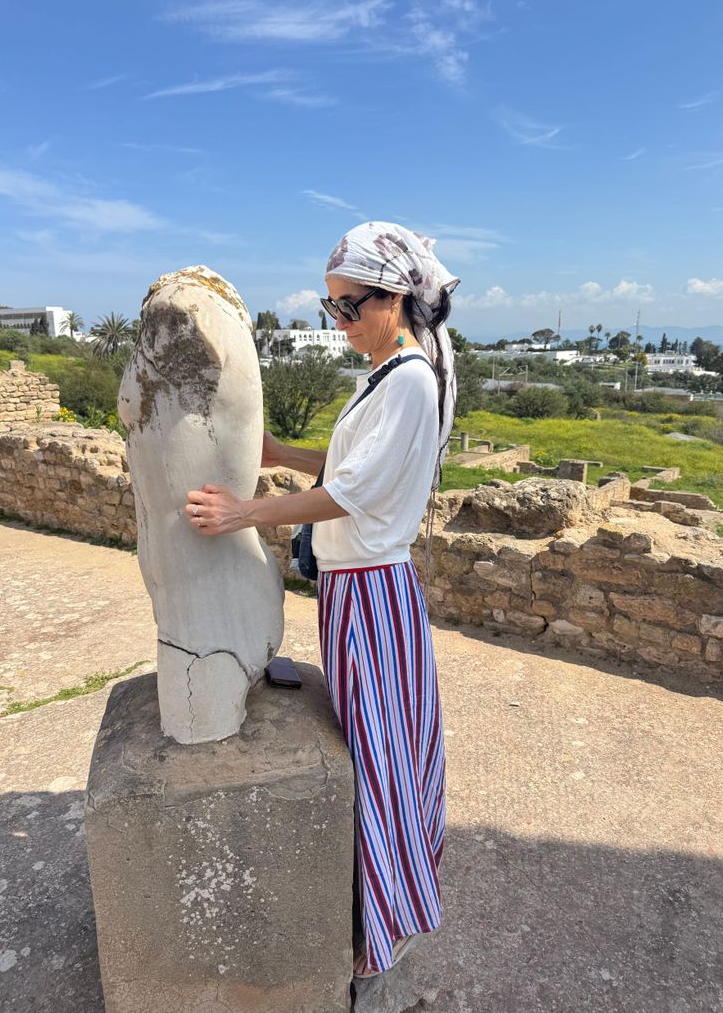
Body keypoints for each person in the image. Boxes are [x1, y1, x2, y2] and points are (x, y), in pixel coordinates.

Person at [184, 221, 459, 978]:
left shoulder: (405, 379)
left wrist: (245, 512)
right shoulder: (386, 374)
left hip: (370, 594)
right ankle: (388, 901)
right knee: (381, 748)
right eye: (329, 308)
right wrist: (279, 456)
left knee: (379, 757)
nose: (338, 324)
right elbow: (347, 463)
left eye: (349, 307)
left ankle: (391, 919)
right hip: (358, 594)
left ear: (394, 299)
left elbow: (350, 492)